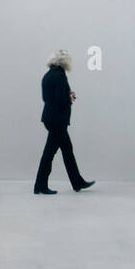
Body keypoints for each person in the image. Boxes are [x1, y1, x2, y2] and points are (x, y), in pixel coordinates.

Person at [33, 50, 95, 195]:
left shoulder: (47, 76)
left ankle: (77, 182)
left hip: (49, 118)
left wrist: (65, 96)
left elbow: (47, 98)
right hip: (58, 120)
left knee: (67, 151)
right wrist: (70, 98)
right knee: (50, 153)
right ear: (64, 62)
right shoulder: (60, 76)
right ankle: (40, 185)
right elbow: (61, 100)